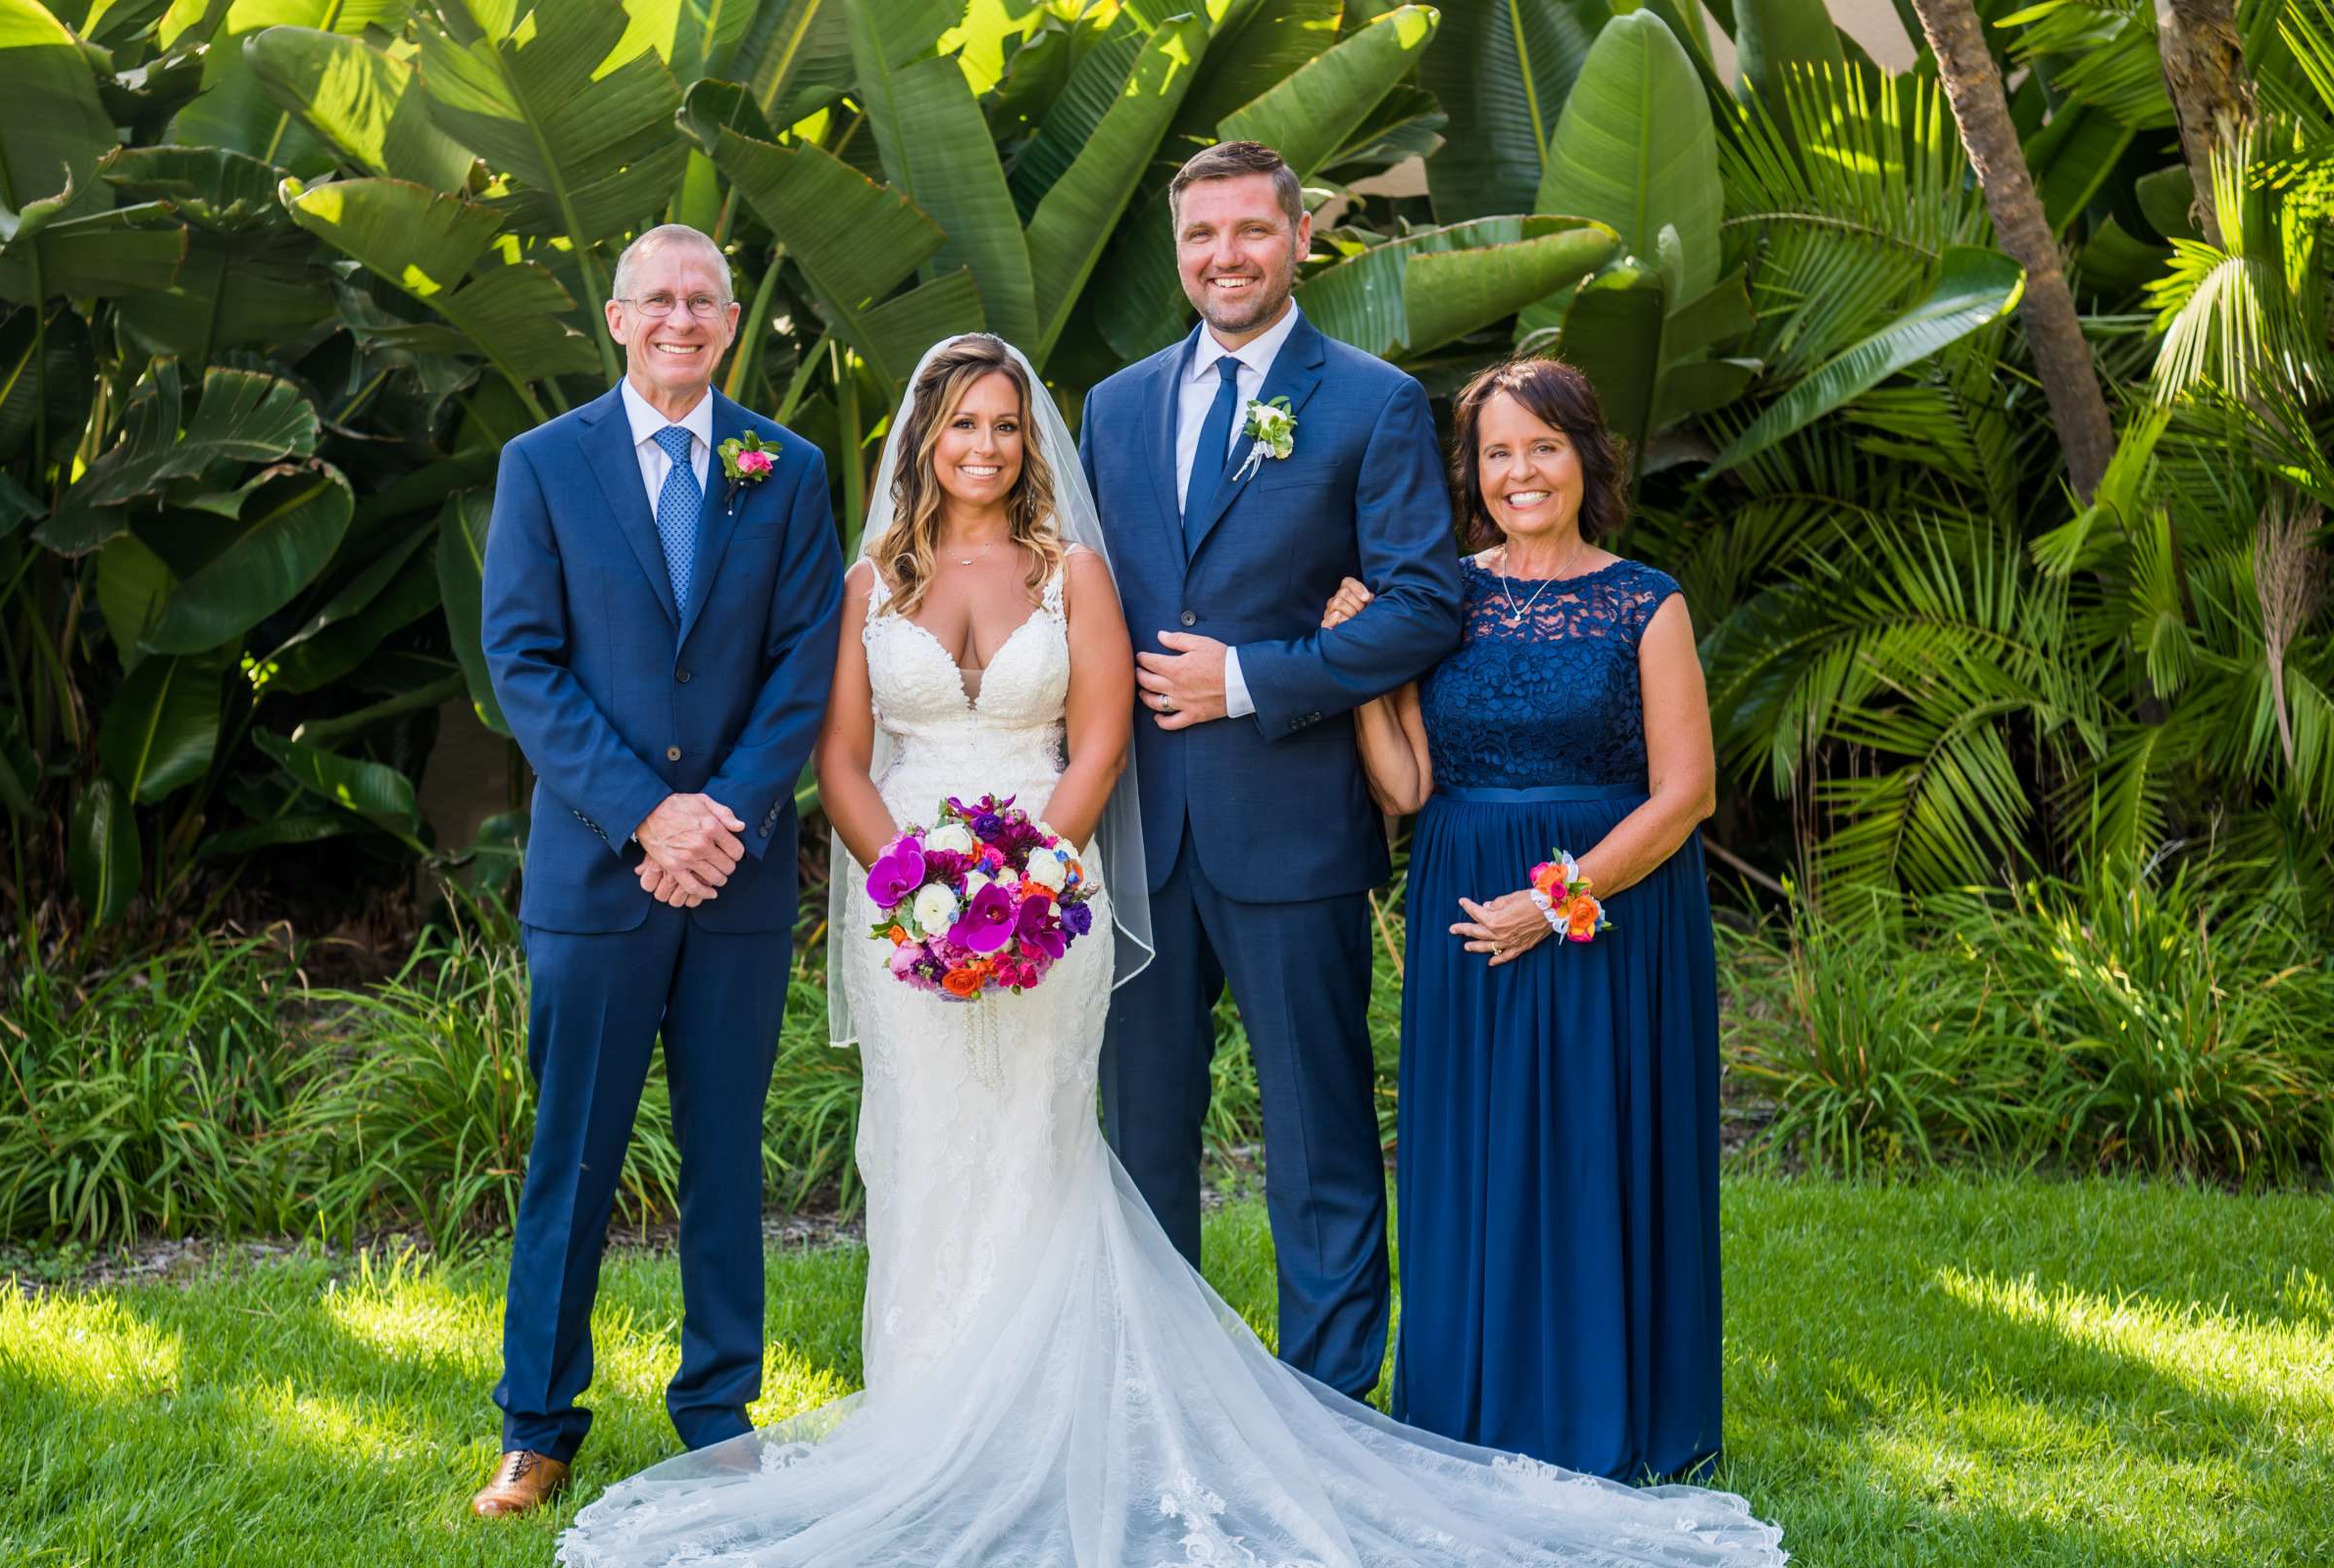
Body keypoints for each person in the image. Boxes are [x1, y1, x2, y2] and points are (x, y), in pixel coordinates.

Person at [551, 335, 1784, 1567]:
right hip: (911, 907)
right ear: (922, 439)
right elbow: (839, 754)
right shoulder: (906, 558)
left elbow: (1101, 738)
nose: (985, 445)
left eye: (1003, 424)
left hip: (1073, 885)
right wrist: (914, 889)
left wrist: (1028, 880)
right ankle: (941, 1415)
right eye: (962, 424)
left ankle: (1243, 1406)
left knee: (1097, 1141)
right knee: (932, 1152)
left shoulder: (1120, 541)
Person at [1077, 140, 1463, 1400]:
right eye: (1202, 236)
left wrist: (1248, 679)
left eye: (1251, 232)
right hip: (1138, 834)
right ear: (1177, 250)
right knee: (1141, 1142)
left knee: (1319, 1136)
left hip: (1290, 822)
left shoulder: (1370, 401)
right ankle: (1159, 1392)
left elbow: (1421, 604)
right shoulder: (1116, 405)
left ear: (1302, 240)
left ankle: (1331, 1401)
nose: (1225, 257)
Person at [472, 222, 843, 1516]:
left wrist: (719, 818)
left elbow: (805, 665)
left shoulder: (784, 470)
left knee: (727, 1155)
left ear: (730, 324)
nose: (683, 318)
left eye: (705, 301)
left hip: (733, 880)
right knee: (572, 1153)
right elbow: (523, 660)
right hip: (595, 878)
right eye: (659, 300)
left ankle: (717, 1415)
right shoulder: (543, 466)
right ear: (619, 321)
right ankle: (537, 1425)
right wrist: (647, 816)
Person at [1321, 357, 1725, 1483]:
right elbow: (1404, 787)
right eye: (1497, 452)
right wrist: (1363, 668)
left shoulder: (1649, 601)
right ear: (1474, 473)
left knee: (1599, 1146)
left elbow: (1684, 790)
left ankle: (1616, 1408)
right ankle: (1469, 1410)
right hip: (1464, 908)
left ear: (1587, 458)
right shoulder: (1442, 597)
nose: (1519, 472)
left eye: (1541, 446)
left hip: (1605, 912)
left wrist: (1553, 904)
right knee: (1476, 1154)